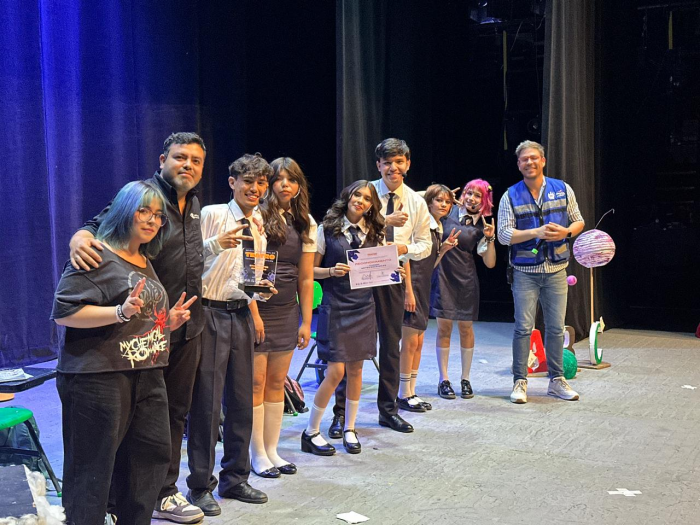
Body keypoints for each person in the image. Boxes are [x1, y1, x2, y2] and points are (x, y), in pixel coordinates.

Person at [69, 132, 206, 523]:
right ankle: (112, 504)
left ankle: (164, 491)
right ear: (163, 160)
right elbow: (97, 227)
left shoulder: (195, 204)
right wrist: (78, 238)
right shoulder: (144, 197)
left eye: (196, 160)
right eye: (180, 157)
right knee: (126, 423)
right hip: (139, 334)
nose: (188, 165)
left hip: (184, 327)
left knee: (171, 416)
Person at [186, 153, 274, 517]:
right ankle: (199, 485)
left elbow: (249, 276)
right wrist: (215, 244)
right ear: (232, 183)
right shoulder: (212, 215)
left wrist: (259, 295)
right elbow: (187, 259)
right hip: (210, 312)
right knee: (207, 403)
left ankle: (235, 478)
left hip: (240, 313)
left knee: (241, 399)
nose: (255, 189)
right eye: (248, 181)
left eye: (261, 183)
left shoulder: (259, 224)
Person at [329, 138, 432, 439]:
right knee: (350, 347)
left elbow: (425, 245)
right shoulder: (365, 192)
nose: (393, 168)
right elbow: (341, 221)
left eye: (399, 162)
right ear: (378, 165)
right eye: (387, 163)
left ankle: (388, 410)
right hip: (359, 276)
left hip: (390, 276)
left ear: (407, 164)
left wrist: (404, 247)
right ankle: (340, 414)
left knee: (390, 345)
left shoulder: (415, 201)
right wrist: (384, 219)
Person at [302, 180, 402, 455]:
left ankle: (350, 428)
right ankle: (310, 431)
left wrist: (395, 272)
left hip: (363, 307)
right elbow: (309, 271)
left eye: (367, 198)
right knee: (336, 372)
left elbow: (379, 271)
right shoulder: (326, 229)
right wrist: (330, 271)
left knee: (357, 370)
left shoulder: (376, 231)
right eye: (357, 194)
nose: (361, 200)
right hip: (336, 306)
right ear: (348, 196)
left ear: (371, 205)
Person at [497, 140, 585, 404]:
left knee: (556, 328)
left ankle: (557, 380)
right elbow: (503, 235)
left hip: (557, 270)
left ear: (543, 160)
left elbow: (578, 221)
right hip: (525, 272)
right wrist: (535, 232)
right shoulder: (510, 195)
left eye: (534, 158)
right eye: (524, 159)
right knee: (523, 328)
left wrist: (566, 232)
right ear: (518, 165)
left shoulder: (562, 189)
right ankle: (520, 381)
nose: (530, 162)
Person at [250, 157, 316, 478]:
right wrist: (254, 313)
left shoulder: (306, 222)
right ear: (269, 184)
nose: (285, 184)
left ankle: (272, 450)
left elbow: (306, 278)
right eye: (278, 179)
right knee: (256, 383)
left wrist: (306, 321)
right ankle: (257, 454)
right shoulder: (257, 216)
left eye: (291, 179)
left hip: (287, 310)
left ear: (299, 186)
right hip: (257, 309)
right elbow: (246, 268)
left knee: (277, 382)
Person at [430, 179, 496, 400]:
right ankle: (443, 380)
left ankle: (465, 379)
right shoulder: (447, 212)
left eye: (478, 195)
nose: (471, 198)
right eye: (469, 193)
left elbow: (490, 263)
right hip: (442, 276)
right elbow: (422, 200)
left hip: (466, 280)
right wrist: (443, 195)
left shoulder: (483, 225)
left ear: (485, 200)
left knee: (466, 329)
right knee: (444, 328)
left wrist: (490, 239)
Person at [399, 184, 460, 412]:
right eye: (439, 200)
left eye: (447, 202)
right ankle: (403, 394)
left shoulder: (438, 227)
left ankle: (411, 391)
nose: (444, 205)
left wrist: (443, 250)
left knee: (419, 342)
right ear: (428, 202)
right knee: (409, 342)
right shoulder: (418, 222)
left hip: (423, 286)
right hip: (410, 286)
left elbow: (429, 265)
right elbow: (405, 258)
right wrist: (408, 291)